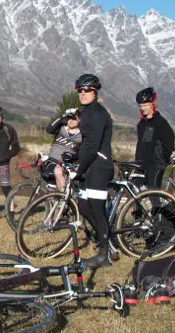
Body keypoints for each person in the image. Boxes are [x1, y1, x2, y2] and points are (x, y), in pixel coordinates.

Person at [73, 74, 115, 268]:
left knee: (97, 209)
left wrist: (79, 170)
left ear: (95, 92)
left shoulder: (97, 113)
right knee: (82, 206)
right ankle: (107, 241)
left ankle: (104, 255)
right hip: (88, 166)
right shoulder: (87, 111)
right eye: (80, 90)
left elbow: (93, 146)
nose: (83, 93)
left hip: (98, 166)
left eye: (87, 90)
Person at [135, 87, 175, 190]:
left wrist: (162, 160)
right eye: (140, 106)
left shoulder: (160, 122)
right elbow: (141, 145)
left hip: (156, 165)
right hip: (142, 165)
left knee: (154, 195)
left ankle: (165, 206)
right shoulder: (141, 124)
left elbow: (169, 144)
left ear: (152, 104)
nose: (142, 108)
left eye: (145, 105)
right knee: (138, 193)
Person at [44, 107, 82, 192]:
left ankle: (65, 199)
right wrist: (62, 117)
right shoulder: (61, 128)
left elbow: (84, 151)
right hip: (52, 160)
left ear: (79, 119)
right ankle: (59, 198)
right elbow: (49, 129)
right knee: (51, 185)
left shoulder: (82, 135)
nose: (71, 121)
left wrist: (73, 156)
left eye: (74, 118)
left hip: (69, 163)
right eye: (69, 118)